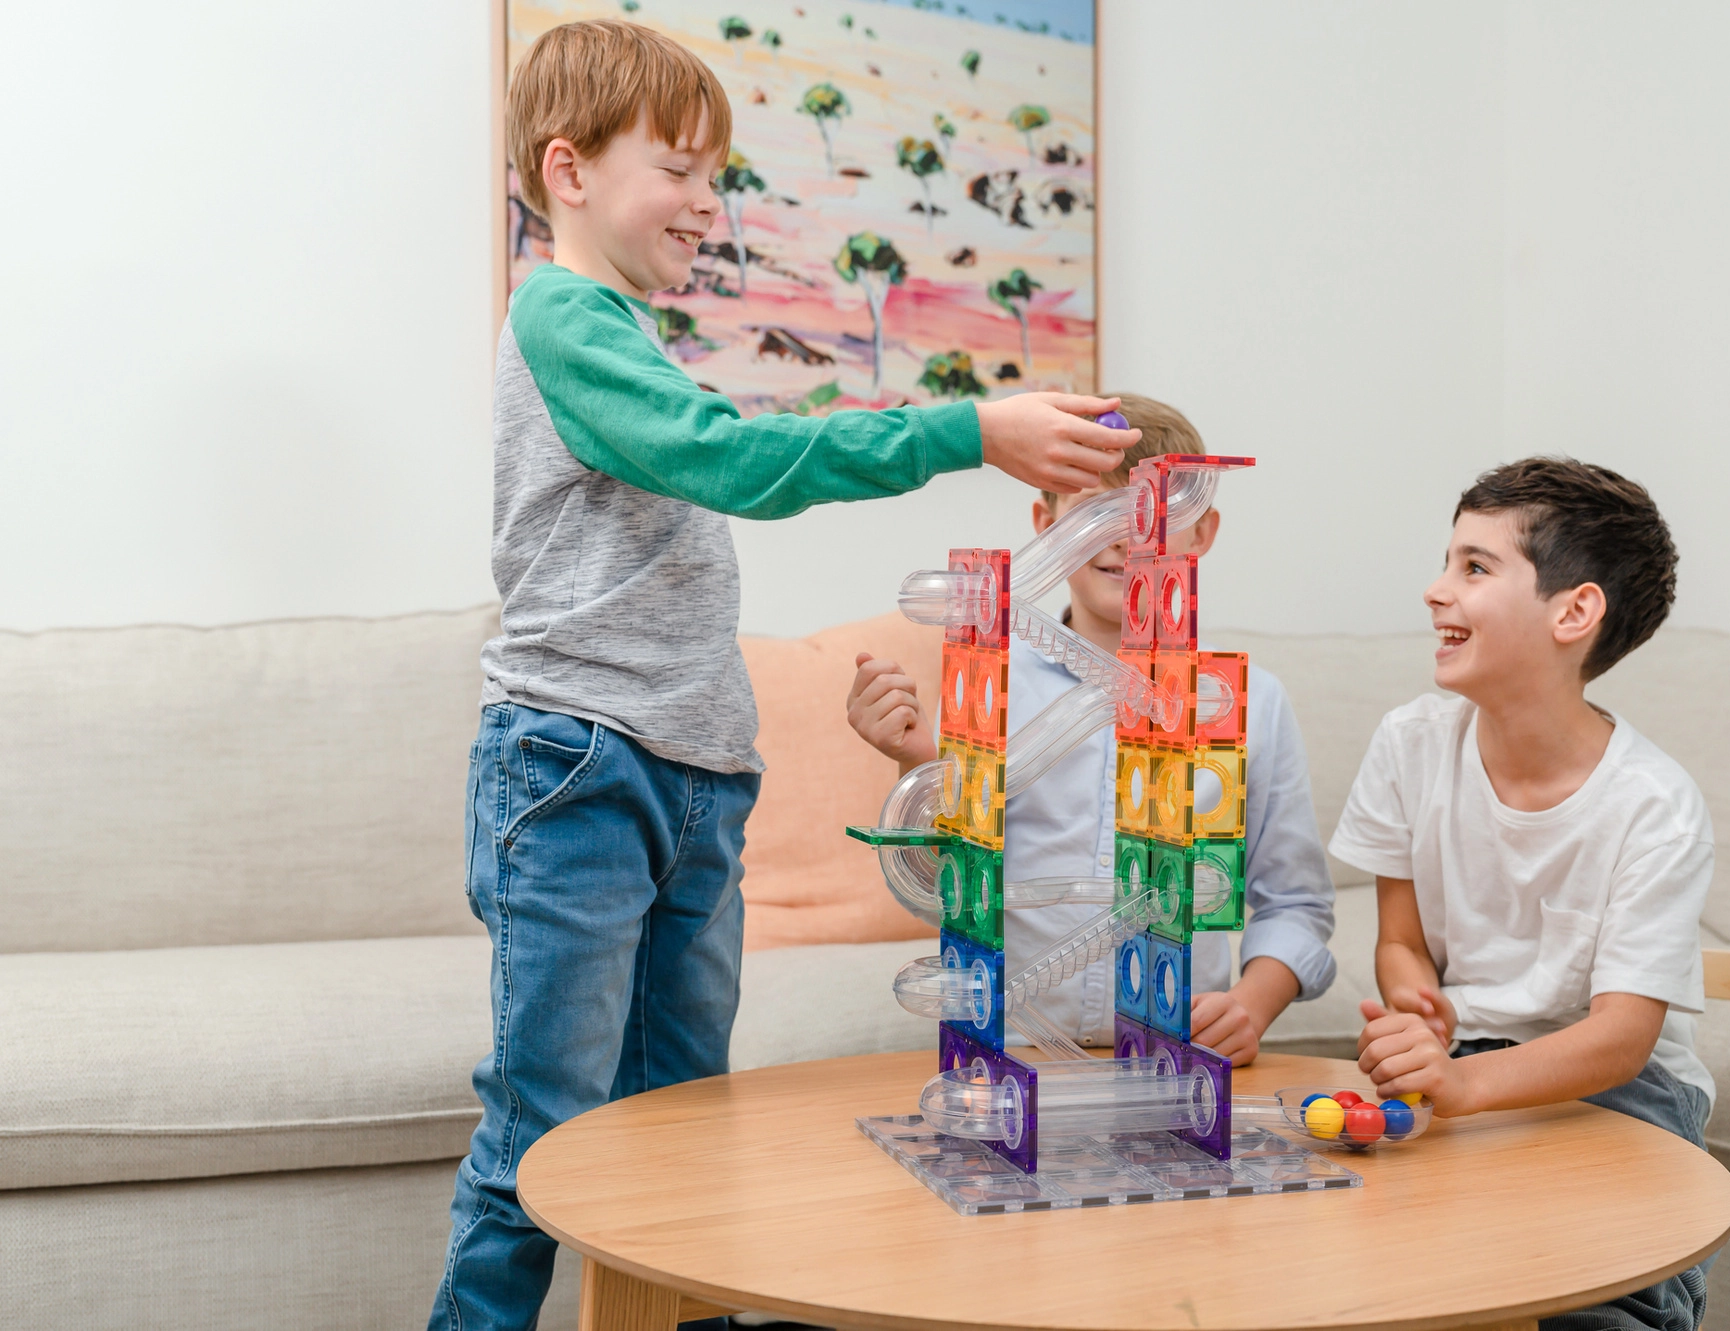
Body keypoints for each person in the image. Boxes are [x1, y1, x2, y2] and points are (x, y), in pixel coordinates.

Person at [435, 20, 1138, 1331]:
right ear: (569, 171)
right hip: (578, 764)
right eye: (678, 170)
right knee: (547, 1121)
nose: (708, 201)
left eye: (716, 175)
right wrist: (967, 427)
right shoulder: (562, 315)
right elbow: (735, 460)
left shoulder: (628, 333)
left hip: (695, 772)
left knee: (678, 1121)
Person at [1331, 457, 1713, 1331]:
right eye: (1446, 560)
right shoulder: (1409, 744)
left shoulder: (1655, 806)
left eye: (1475, 566)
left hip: (1622, 1084)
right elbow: (1402, 941)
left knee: (1594, 1288)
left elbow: (1621, 1038)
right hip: (1465, 1052)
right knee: (1376, 1253)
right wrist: (1416, 1013)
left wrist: (1462, 1086)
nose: (1435, 589)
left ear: (1573, 613)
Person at [846, 394, 1336, 1064]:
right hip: (1018, 1050)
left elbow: (1296, 903)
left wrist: (1251, 1004)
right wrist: (915, 767)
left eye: (1153, 513)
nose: (1123, 538)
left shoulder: (1247, 703)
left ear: (1202, 532)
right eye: (1093, 512)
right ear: (1045, 523)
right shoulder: (989, 684)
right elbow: (942, 894)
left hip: (1174, 1057)